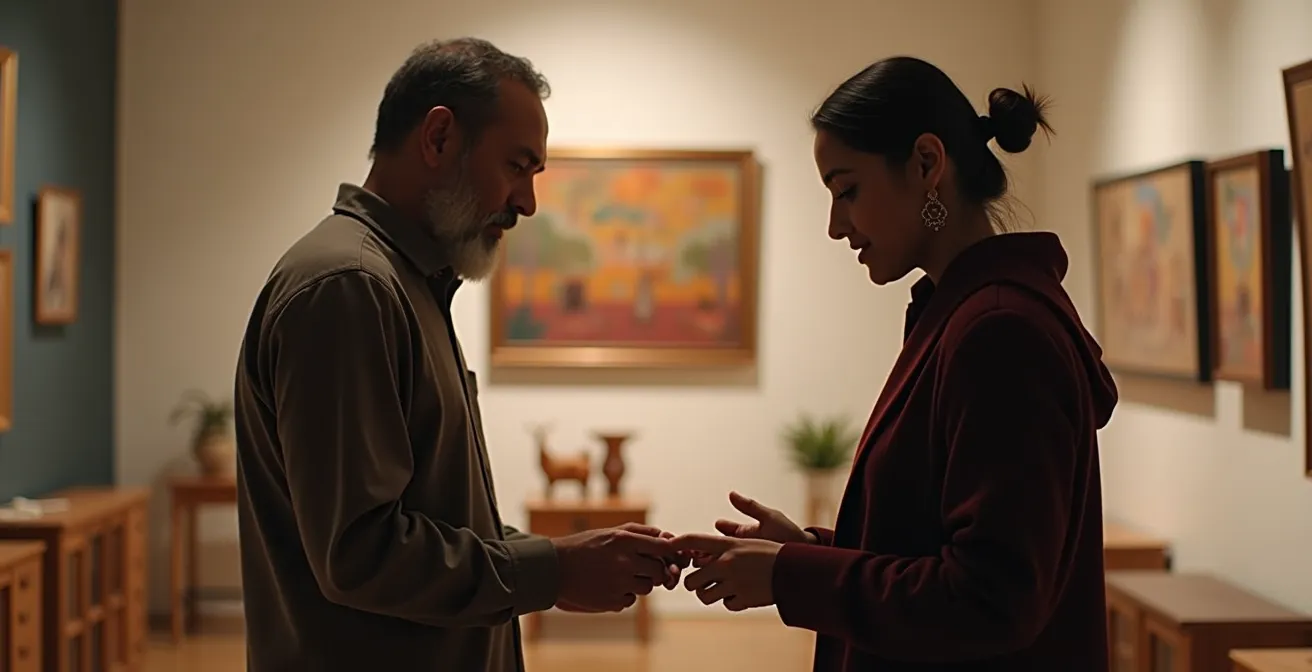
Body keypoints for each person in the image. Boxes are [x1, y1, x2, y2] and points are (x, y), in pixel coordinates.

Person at [233, 38, 683, 672]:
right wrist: (551, 573)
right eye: (517, 166)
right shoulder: (350, 287)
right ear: (439, 138)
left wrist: (562, 559)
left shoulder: (403, 283)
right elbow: (360, 552)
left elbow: (432, 518)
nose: (527, 203)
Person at [672, 56, 1119, 671]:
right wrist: (804, 552)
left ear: (927, 164)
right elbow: (934, 547)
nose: (835, 225)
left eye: (847, 190)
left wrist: (792, 576)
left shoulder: (999, 332)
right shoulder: (965, 314)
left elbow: (991, 599)